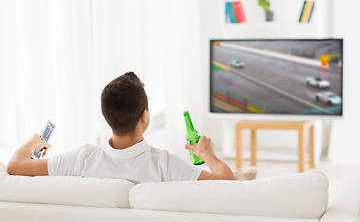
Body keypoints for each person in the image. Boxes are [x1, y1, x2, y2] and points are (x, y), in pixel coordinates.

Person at [7, 72, 256, 183]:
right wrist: (207, 155)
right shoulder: (165, 165)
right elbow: (227, 181)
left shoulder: (81, 159)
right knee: (241, 175)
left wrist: (33, 142)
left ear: (106, 117)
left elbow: (15, 166)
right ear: (144, 117)